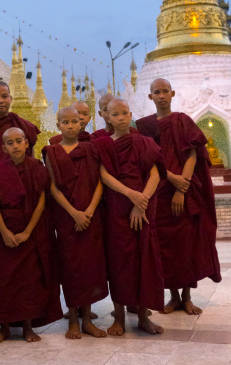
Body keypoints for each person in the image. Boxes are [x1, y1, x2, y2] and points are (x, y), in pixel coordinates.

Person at [137, 78, 221, 315]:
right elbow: (148, 160)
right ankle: (173, 297)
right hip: (160, 193)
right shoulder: (144, 126)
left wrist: (181, 188)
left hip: (182, 192)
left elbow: (193, 154)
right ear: (150, 97)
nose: (161, 96)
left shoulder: (182, 120)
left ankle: (186, 297)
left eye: (165, 91)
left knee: (185, 246)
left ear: (172, 93)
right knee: (165, 247)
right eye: (156, 92)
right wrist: (171, 178)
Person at [97, 99, 165, 336]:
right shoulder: (103, 145)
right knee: (119, 264)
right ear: (108, 117)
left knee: (145, 261)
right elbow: (104, 176)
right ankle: (119, 318)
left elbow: (155, 174)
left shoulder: (144, 142)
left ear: (131, 113)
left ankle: (144, 318)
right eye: (116, 114)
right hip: (117, 209)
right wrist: (130, 195)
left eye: (125, 113)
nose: (121, 118)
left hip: (144, 210)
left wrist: (142, 202)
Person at [0, 127, 62, 343]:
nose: (15, 146)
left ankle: (28, 327)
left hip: (30, 230)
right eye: (10, 143)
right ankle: (4, 327)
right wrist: (3, 230)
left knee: (30, 280)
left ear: (26, 144)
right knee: (5, 280)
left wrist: (28, 231)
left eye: (18, 141)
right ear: (4, 148)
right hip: (6, 230)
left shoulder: (36, 167)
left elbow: (41, 200)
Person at [42, 107, 108, 340]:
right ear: (58, 125)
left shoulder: (91, 149)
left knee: (90, 266)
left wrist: (88, 211)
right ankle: (72, 319)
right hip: (66, 218)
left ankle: (88, 320)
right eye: (65, 122)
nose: (70, 125)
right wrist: (74, 213)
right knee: (70, 268)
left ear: (81, 125)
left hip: (91, 217)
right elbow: (52, 186)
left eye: (75, 121)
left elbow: (100, 182)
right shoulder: (51, 151)